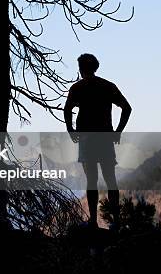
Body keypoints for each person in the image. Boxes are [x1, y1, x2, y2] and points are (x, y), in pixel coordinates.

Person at [64, 53, 132, 229]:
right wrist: (118, 132)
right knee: (111, 179)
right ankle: (116, 221)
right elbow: (127, 108)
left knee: (91, 180)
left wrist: (71, 130)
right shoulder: (107, 86)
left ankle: (93, 221)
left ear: (80, 69)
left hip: (86, 139)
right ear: (95, 67)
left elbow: (67, 109)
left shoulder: (77, 88)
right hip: (105, 138)